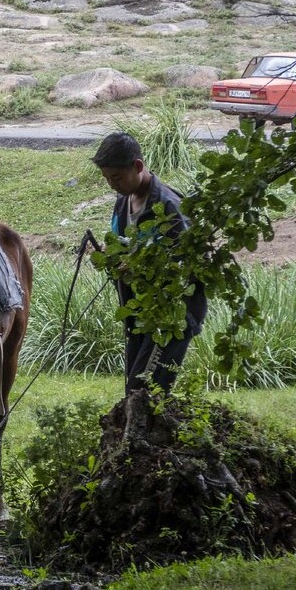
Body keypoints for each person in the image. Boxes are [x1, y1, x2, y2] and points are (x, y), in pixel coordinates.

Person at [92, 132, 207, 395]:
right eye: (107, 178)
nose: (112, 185)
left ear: (138, 166)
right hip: (140, 314)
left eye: (117, 178)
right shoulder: (123, 201)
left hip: (171, 317)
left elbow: (189, 266)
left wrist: (138, 266)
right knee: (136, 391)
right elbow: (122, 244)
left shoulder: (169, 207)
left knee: (144, 391)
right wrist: (109, 255)